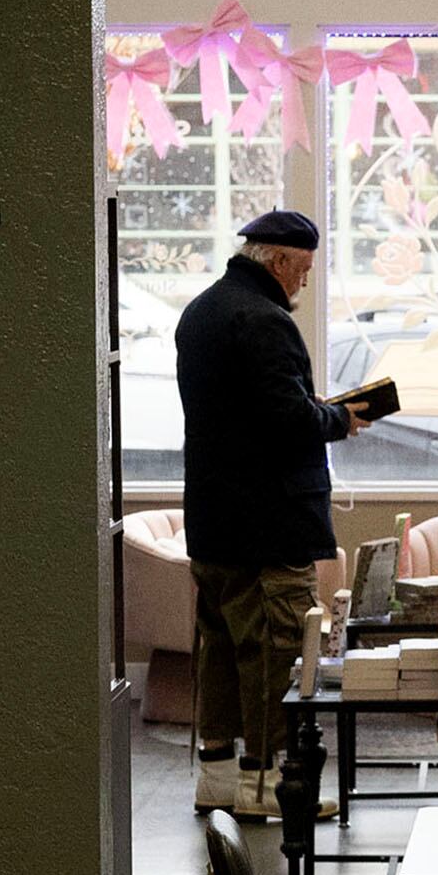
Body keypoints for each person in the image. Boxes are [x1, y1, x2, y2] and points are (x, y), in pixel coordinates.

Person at [177, 208, 378, 820]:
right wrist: (341, 418)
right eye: (304, 269)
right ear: (279, 259)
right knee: (275, 654)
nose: (305, 282)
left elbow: (244, 414)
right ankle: (265, 784)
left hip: (213, 519)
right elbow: (287, 423)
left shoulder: (201, 312)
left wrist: (303, 404)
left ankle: (216, 775)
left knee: (219, 650)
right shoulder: (265, 321)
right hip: (268, 525)